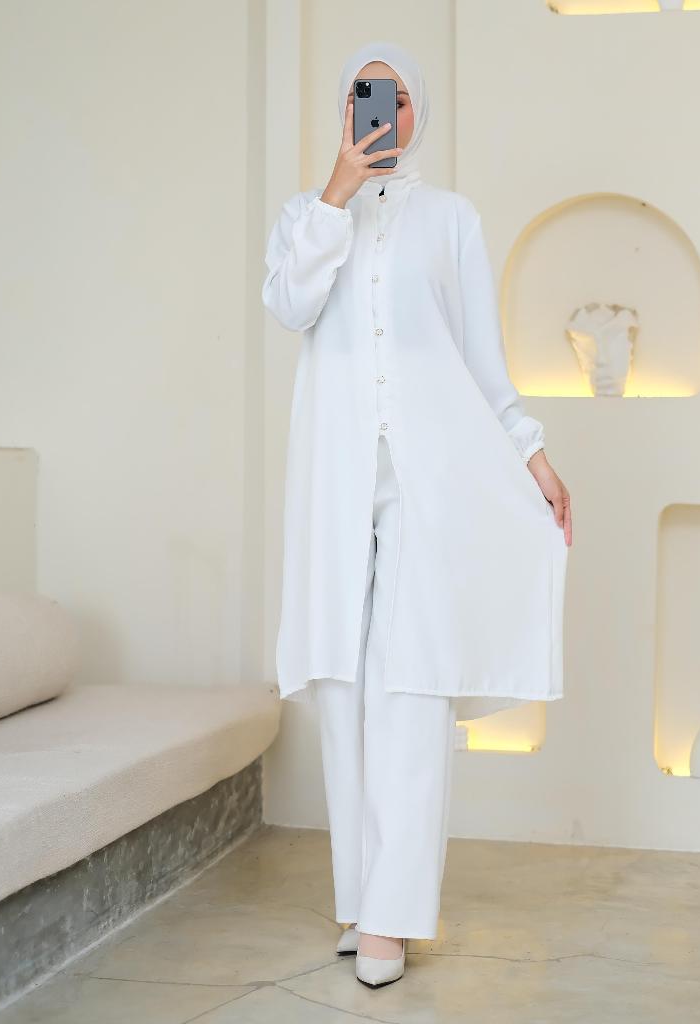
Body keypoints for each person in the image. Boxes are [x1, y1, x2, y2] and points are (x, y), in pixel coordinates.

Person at [261, 41, 572, 988]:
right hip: (335, 477)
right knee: (343, 682)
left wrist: (531, 453)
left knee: (415, 682)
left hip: (436, 477)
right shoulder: (308, 216)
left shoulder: (452, 220)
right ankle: (360, 901)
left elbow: (483, 358)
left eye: (394, 100)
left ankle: (394, 917)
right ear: (345, 112)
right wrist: (336, 193)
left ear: (416, 114)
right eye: (364, 97)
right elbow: (290, 305)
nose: (380, 113)